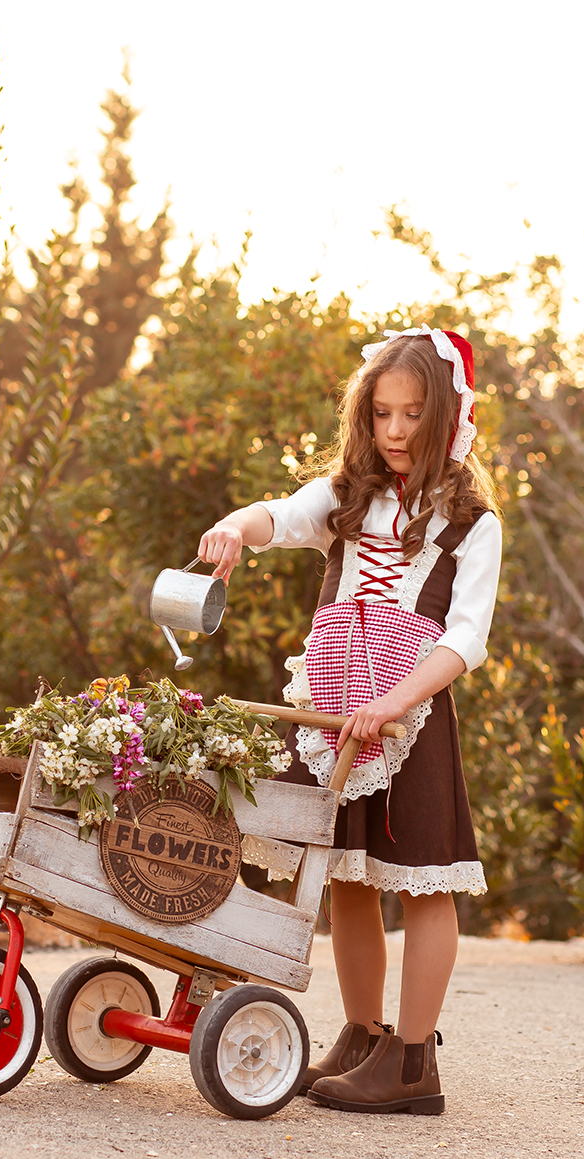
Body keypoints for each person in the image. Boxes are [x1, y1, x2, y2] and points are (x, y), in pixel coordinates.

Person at [195, 326, 501, 1115]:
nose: (395, 432)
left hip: (410, 718)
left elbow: (468, 635)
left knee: (425, 886)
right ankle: (363, 1035)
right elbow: (281, 516)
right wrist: (237, 525)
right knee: (348, 877)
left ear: (448, 418)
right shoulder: (346, 497)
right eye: (381, 415)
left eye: (412, 416)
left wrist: (397, 700)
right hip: (333, 700)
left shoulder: (475, 522)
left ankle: (411, 1063)